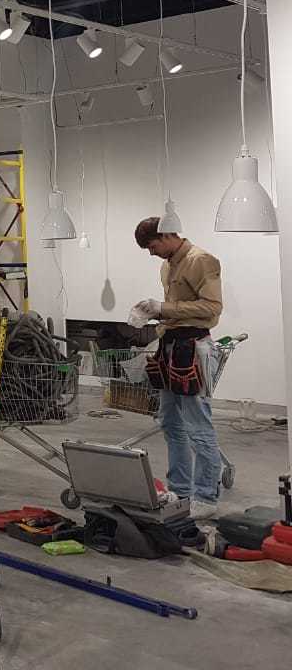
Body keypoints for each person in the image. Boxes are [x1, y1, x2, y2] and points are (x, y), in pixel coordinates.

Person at [133, 218, 224, 519]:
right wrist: (152, 314)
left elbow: (212, 308)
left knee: (198, 426)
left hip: (194, 348)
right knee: (170, 423)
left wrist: (164, 308)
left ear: (167, 235)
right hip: (170, 346)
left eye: (152, 246)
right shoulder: (167, 266)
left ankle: (206, 497)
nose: (151, 253)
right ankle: (181, 490)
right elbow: (177, 311)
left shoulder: (202, 261)